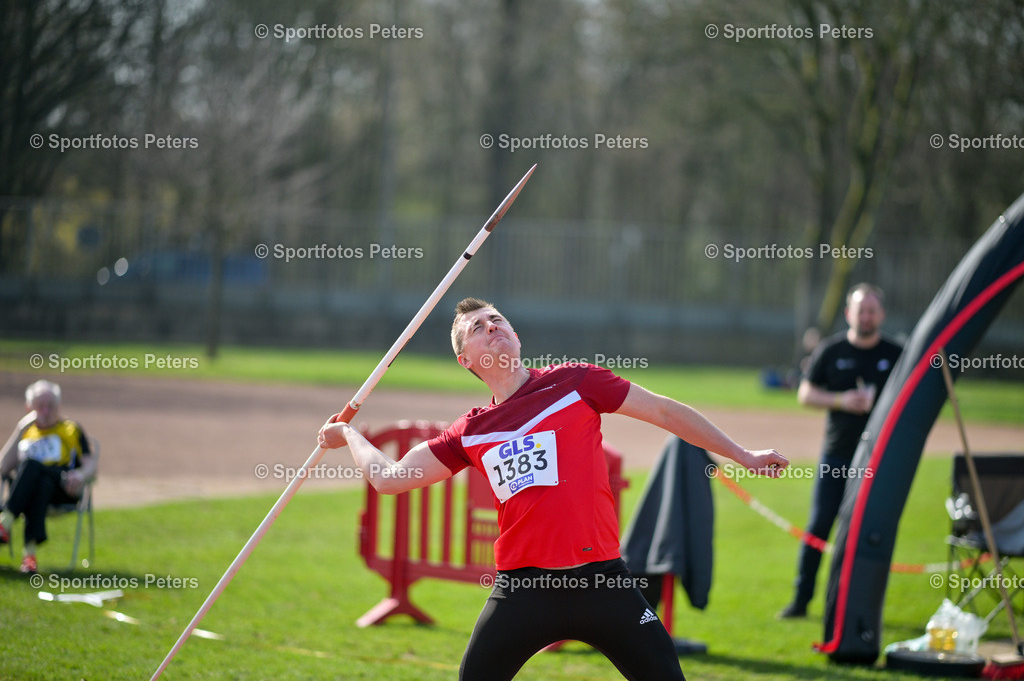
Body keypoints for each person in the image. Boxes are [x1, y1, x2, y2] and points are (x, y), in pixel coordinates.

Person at [319, 297, 789, 680]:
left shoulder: (575, 382)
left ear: (517, 337)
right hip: (525, 590)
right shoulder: (470, 431)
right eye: (479, 327)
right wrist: (349, 435)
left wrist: (744, 455)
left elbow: (665, 413)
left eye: (498, 320)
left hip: (604, 582)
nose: (493, 327)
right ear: (466, 359)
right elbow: (391, 479)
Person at [778, 283, 902, 619]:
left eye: (872, 310)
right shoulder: (831, 350)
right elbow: (805, 394)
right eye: (860, 309)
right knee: (819, 526)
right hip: (837, 456)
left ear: (882, 314)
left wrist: (882, 404)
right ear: (849, 313)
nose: (866, 316)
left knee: (868, 530)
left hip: (879, 459)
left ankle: (855, 604)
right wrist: (841, 400)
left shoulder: (896, 353)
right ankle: (801, 602)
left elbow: (912, 397)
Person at [0, 380, 98, 574]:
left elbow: (91, 465)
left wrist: (79, 474)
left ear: (58, 406)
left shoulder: (71, 429)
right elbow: (3, 467)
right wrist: (20, 429)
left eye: (50, 406)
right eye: (40, 406)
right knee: (38, 481)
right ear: (29, 408)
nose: (45, 411)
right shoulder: (27, 431)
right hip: (31, 489)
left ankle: (5, 523)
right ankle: (29, 557)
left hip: (62, 487)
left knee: (33, 468)